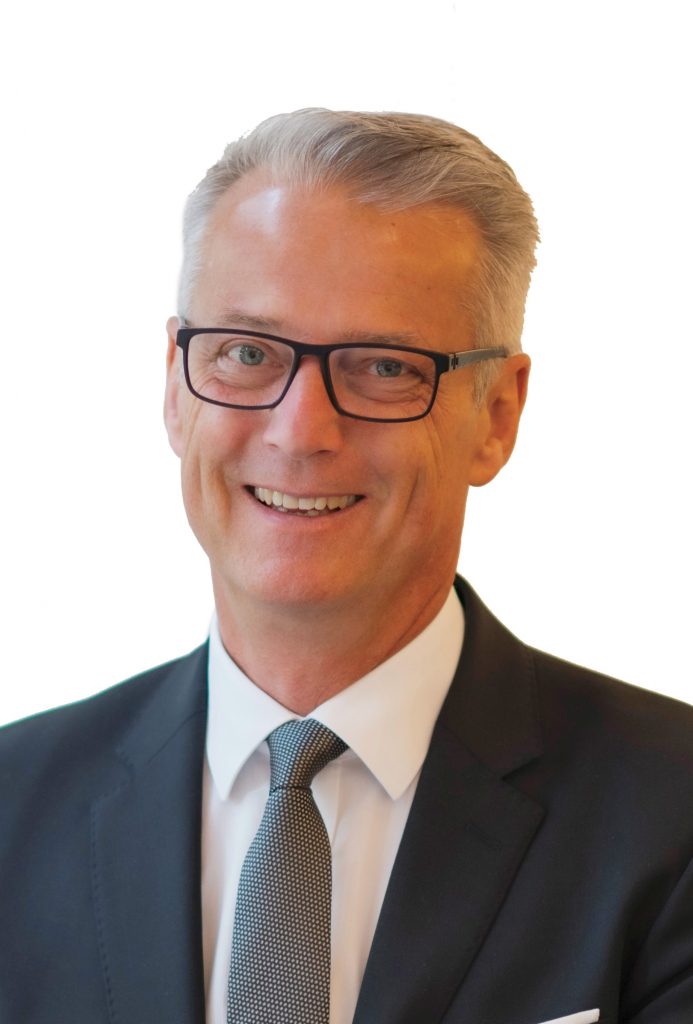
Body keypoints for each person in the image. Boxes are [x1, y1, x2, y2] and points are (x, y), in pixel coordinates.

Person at [1, 109, 692, 1024]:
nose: (301, 433)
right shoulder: (11, 809)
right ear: (174, 386)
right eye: (247, 353)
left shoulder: (672, 818)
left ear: (496, 414)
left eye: (384, 367)